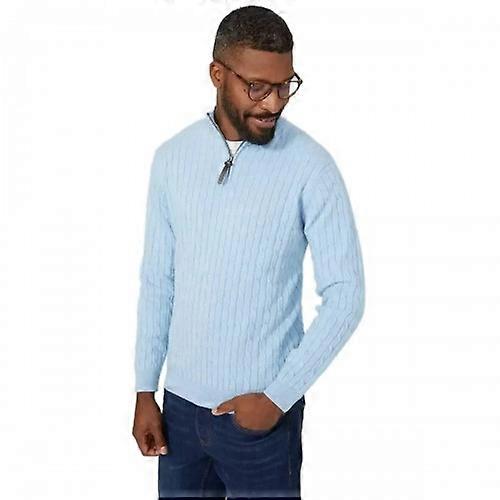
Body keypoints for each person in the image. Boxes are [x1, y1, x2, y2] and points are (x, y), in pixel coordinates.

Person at [132, 5, 365, 499]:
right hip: (179, 413)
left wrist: (279, 397)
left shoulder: (312, 168)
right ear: (218, 74)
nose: (274, 102)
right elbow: (158, 280)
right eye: (257, 87)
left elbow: (346, 295)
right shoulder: (171, 159)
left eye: (285, 85)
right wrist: (145, 389)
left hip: (262, 421)